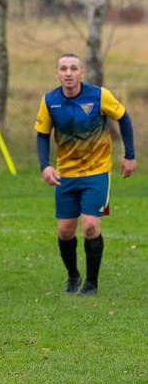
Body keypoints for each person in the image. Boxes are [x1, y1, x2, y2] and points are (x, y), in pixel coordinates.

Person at [35, 53, 136, 296]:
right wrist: (45, 166)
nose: (68, 73)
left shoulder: (100, 96)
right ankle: (73, 275)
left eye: (73, 68)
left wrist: (129, 154)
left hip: (96, 172)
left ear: (81, 73)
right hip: (66, 174)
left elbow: (123, 118)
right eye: (63, 68)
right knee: (65, 231)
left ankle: (91, 284)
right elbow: (42, 134)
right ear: (57, 73)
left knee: (90, 227)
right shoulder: (50, 101)